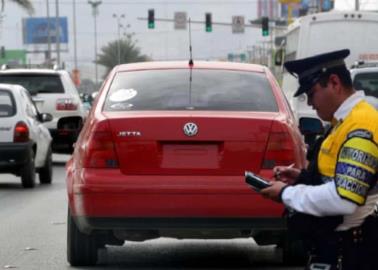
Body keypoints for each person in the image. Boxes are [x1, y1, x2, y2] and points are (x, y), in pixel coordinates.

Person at [260, 49, 378, 270]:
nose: (311, 103)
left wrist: (286, 193)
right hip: (335, 248)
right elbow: (336, 176)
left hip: (353, 253)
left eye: (312, 93)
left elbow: (345, 198)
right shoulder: (342, 122)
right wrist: (303, 178)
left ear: (334, 82)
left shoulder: (361, 124)